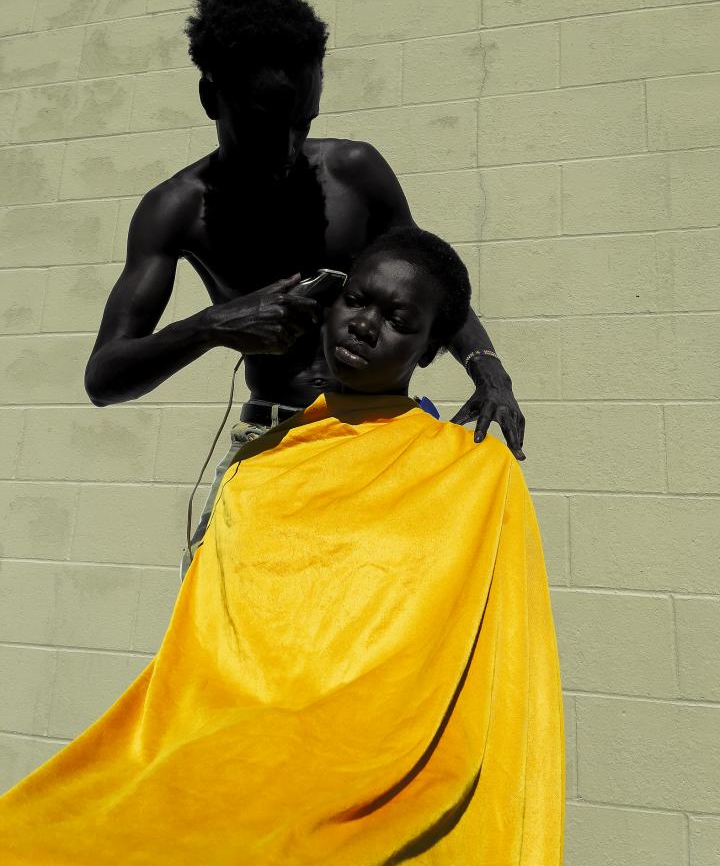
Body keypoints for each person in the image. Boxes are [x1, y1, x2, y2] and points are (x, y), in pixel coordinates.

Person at [0, 228, 564, 865]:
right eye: (356, 301)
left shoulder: (471, 472)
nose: (364, 325)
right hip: (236, 736)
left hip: (374, 747)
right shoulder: (260, 468)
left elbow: (490, 652)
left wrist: (491, 368)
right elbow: (215, 658)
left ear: (432, 348)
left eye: (398, 320)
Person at [83, 0, 526, 502]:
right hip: (274, 441)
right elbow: (104, 378)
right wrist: (211, 327)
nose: (289, 148)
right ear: (210, 98)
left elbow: (430, 284)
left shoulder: (354, 173)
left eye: (304, 122)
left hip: (383, 436)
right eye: (266, 128)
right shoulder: (175, 210)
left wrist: (488, 367)